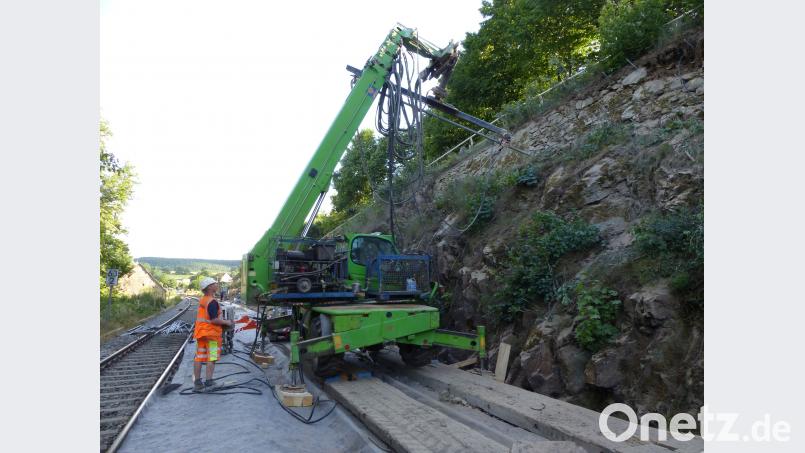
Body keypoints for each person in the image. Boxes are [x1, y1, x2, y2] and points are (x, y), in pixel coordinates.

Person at [193, 277, 234, 392]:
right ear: (210, 287)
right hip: (211, 334)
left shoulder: (203, 299)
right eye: (215, 283)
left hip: (201, 333)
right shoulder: (212, 302)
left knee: (199, 357)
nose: (217, 285)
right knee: (212, 357)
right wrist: (227, 322)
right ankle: (209, 383)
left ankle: (197, 384)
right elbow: (214, 320)